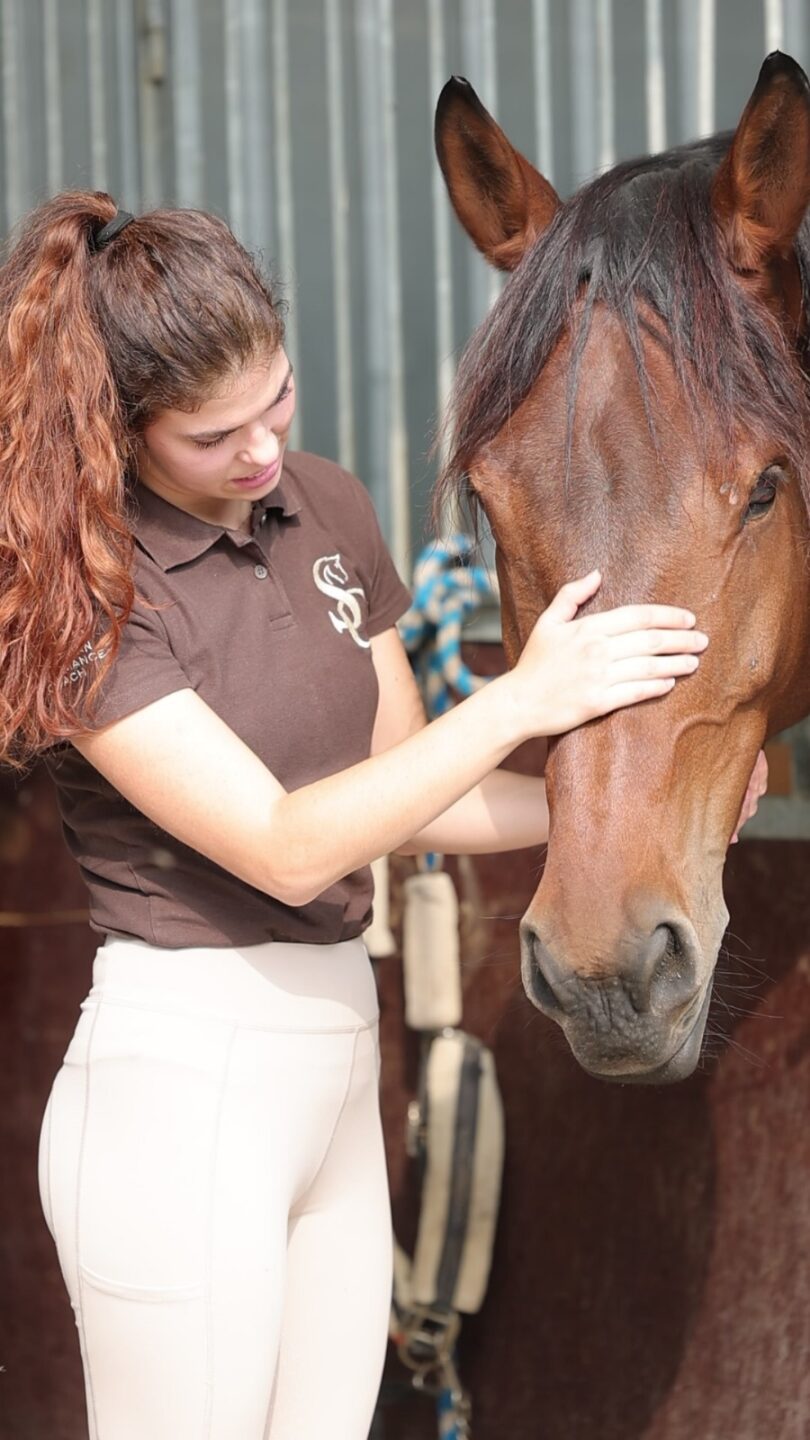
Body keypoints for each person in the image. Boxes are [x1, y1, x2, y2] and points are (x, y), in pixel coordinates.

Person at [0, 190, 755, 1440]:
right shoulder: (90, 592)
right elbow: (290, 846)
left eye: (276, 399)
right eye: (210, 436)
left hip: (343, 1061)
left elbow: (413, 791)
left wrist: (673, 813)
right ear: (121, 432)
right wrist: (527, 698)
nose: (259, 452)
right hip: (187, 1070)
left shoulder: (327, 507)